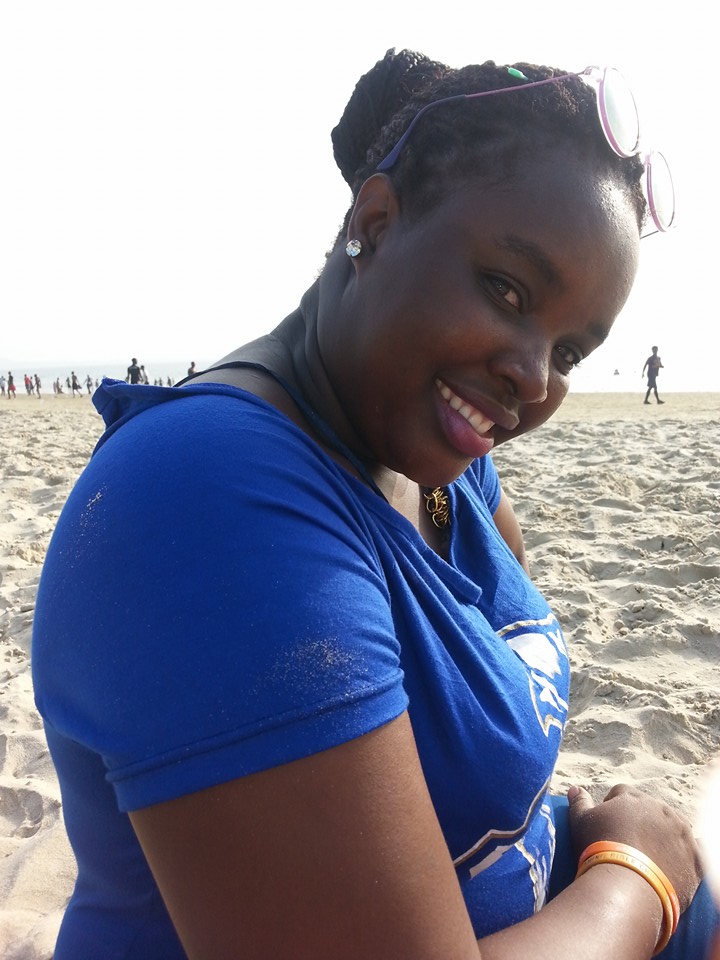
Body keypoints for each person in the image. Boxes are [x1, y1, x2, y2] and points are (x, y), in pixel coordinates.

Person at [32, 49, 713, 960]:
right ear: (375, 222)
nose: (532, 376)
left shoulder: (440, 460)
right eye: (508, 290)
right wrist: (638, 879)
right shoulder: (209, 502)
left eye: (570, 351)